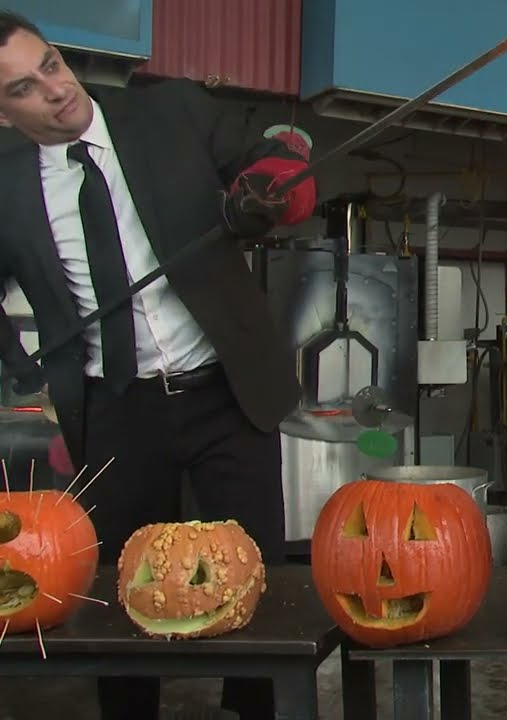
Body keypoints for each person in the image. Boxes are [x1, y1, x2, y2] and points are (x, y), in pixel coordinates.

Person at [0, 11, 316, 720]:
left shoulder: (169, 110)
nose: (54, 89)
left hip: (226, 392)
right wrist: (15, 359)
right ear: (2, 112)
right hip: (116, 410)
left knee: (253, 583)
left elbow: (282, 156)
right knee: (118, 593)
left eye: (50, 64)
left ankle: (255, 710)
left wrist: (263, 198)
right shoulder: (8, 185)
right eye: (24, 88)